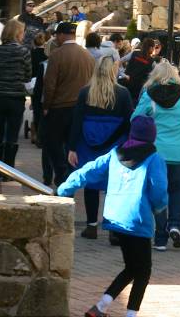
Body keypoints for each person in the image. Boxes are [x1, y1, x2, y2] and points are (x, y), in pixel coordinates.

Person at [57, 116, 168, 317]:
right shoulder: (154, 159)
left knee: (132, 268)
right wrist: (160, 208)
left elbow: (88, 171)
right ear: (152, 136)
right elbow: (159, 190)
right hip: (138, 220)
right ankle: (130, 314)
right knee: (143, 272)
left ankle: (99, 308)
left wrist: (64, 188)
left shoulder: (115, 153)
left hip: (116, 219)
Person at [132, 61, 180, 250]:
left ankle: (160, 237)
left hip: (156, 152)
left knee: (158, 193)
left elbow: (135, 119)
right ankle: (176, 226)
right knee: (177, 191)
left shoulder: (148, 96)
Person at [68, 56, 133, 240]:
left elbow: (77, 121)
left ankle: (91, 226)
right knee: (113, 186)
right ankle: (113, 229)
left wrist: (72, 147)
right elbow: (128, 122)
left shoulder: (85, 92)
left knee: (91, 185)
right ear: (114, 70)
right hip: (115, 145)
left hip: (87, 145)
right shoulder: (123, 93)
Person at [42, 22, 95, 186]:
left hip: (59, 106)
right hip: (81, 107)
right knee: (72, 143)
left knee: (52, 142)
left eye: (57, 35)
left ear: (62, 35)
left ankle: (61, 172)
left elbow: (50, 84)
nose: (56, 38)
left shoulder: (57, 55)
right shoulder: (87, 56)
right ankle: (70, 175)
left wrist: (46, 106)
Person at [0, 19, 32, 181]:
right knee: (12, 135)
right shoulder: (24, 51)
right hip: (16, 97)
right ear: (17, 33)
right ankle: (8, 170)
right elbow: (28, 75)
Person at [29, 32, 48, 145]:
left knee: (35, 107)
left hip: (32, 83)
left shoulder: (30, 54)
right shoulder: (46, 56)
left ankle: (35, 132)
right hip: (42, 83)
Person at [125, 37, 155, 105]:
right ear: (150, 48)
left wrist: (123, 74)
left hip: (128, 84)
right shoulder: (151, 61)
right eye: (153, 48)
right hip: (139, 89)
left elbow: (120, 61)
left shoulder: (134, 53)